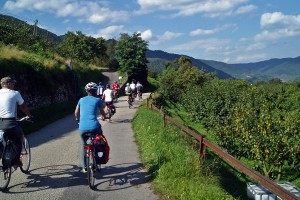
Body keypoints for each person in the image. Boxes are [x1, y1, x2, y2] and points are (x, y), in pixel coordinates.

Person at [0, 76, 33, 168]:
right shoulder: (15, 93)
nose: (14, 85)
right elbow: (23, 106)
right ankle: (17, 157)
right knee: (20, 135)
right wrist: (29, 115)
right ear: (8, 84)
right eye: (12, 83)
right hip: (10, 123)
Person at [74, 82, 106, 172]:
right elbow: (102, 112)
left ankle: (84, 167)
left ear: (86, 91)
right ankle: (98, 159)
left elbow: (76, 113)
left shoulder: (81, 100)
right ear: (96, 91)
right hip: (95, 127)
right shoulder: (97, 100)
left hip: (82, 128)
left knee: (84, 145)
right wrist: (104, 117)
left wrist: (77, 119)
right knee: (100, 139)